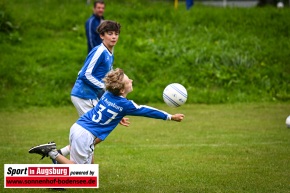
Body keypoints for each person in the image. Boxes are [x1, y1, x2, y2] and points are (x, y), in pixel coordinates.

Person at [28, 68, 185, 164]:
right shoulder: (126, 105)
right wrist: (170, 117)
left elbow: (107, 109)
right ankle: (52, 152)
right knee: (79, 172)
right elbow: (148, 111)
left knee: (90, 171)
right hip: (85, 134)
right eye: (128, 81)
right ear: (122, 90)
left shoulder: (107, 94)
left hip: (77, 126)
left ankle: (57, 182)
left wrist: (118, 117)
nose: (131, 80)